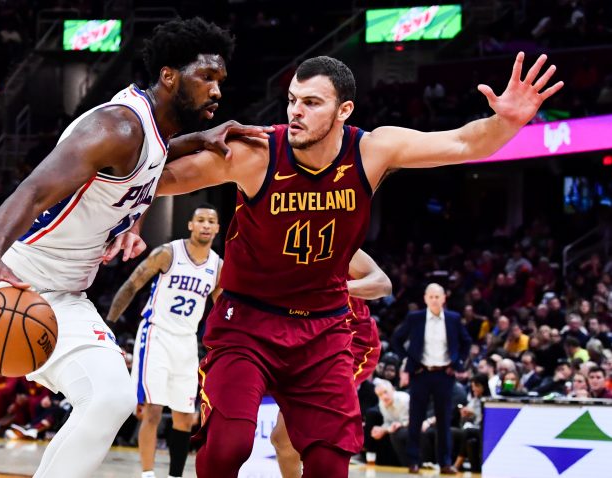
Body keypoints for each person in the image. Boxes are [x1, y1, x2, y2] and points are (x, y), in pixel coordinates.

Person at [156, 52, 562, 477]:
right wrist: (124, 220)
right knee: (228, 446)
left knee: (331, 463)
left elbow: (462, 142)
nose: (296, 111)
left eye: (312, 102)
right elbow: (163, 179)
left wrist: (507, 123)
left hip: (322, 328)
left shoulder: (371, 149)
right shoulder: (257, 151)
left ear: (343, 110)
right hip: (249, 320)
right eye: (293, 99)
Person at [0, 17, 270, 477]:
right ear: (169, 76)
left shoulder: (154, 132)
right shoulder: (116, 126)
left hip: (64, 298)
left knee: (111, 397)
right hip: (1, 279)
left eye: (221, 81)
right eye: (206, 77)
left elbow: (152, 156)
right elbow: (29, 192)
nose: (217, 90)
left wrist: (194, 142)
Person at [106, 204, 223, 478]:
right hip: (156, 334)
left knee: (184, 416)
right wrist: (109, 324)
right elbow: (132, 285)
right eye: (201, 220)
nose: (206, 225)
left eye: (211, 221)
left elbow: (221, 310)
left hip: (186, 343)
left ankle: (175, 476)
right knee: (153, 409)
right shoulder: (168, 253)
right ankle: (148, 474)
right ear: (191, 225)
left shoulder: (218, 267)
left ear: (217, 229)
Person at [270, 249, 390, 478]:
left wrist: (337, 288)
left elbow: (383, 284)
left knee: (318, 434)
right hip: (305, 343)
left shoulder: (338, 239)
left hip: (351, 343)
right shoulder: (279, 244)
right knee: (282, 440)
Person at [391, 283, 472, 474]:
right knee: (416, 417)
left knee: (444, 420)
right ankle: (413, 461)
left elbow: (466, 341)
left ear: (444, 298)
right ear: (425, 298)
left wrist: (457, 362)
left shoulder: (453, 318)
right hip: (421, 373)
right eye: (431, 296)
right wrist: (408, 359)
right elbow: (397, 339)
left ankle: (444, 463)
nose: (435, 300)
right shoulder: (415, 318)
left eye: (438, 296)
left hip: (444, 374)